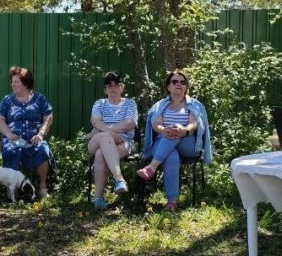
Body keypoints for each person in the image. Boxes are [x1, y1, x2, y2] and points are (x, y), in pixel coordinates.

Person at [137, 70, 212, 212]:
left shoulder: (194, 105)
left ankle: (151, 167)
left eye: (182, 82)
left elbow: (194, 124)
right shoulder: (161, 105)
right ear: (168, 87)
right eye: (175, 81)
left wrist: (184, 130)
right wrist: (163, 130)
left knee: (176, 129)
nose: (179, 84)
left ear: (186, 87)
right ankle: (172, 202)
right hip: (163, 144)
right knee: (171, 155)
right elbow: (156, 124)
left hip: (188, 145)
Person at [0, 67, 54, 198]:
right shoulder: (7, 100)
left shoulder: (39, 99)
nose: (13, 84)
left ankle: (42, 187)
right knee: (10, 150)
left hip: (34, 137)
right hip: (13, 137)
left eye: (16, 82)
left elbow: (48, 117)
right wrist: (9, 135)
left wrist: (41, 134)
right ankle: (12, 190)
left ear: (26, 83)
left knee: (42, 150)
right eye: (12, 81)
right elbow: (0, 120)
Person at [87, 72, 138, 210]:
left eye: (117, 85)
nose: (113, 88)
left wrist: (101, 130)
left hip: (123, 142)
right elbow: (96, 121)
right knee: (104, 137)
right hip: (97, 141)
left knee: (100, 154)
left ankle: (98, 198)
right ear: (105, 90)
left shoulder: (130, 103)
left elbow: (129, 124)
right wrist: (110, 133)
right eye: (109, 86)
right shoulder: (100, 103)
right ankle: (119, 179)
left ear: (122, 87)